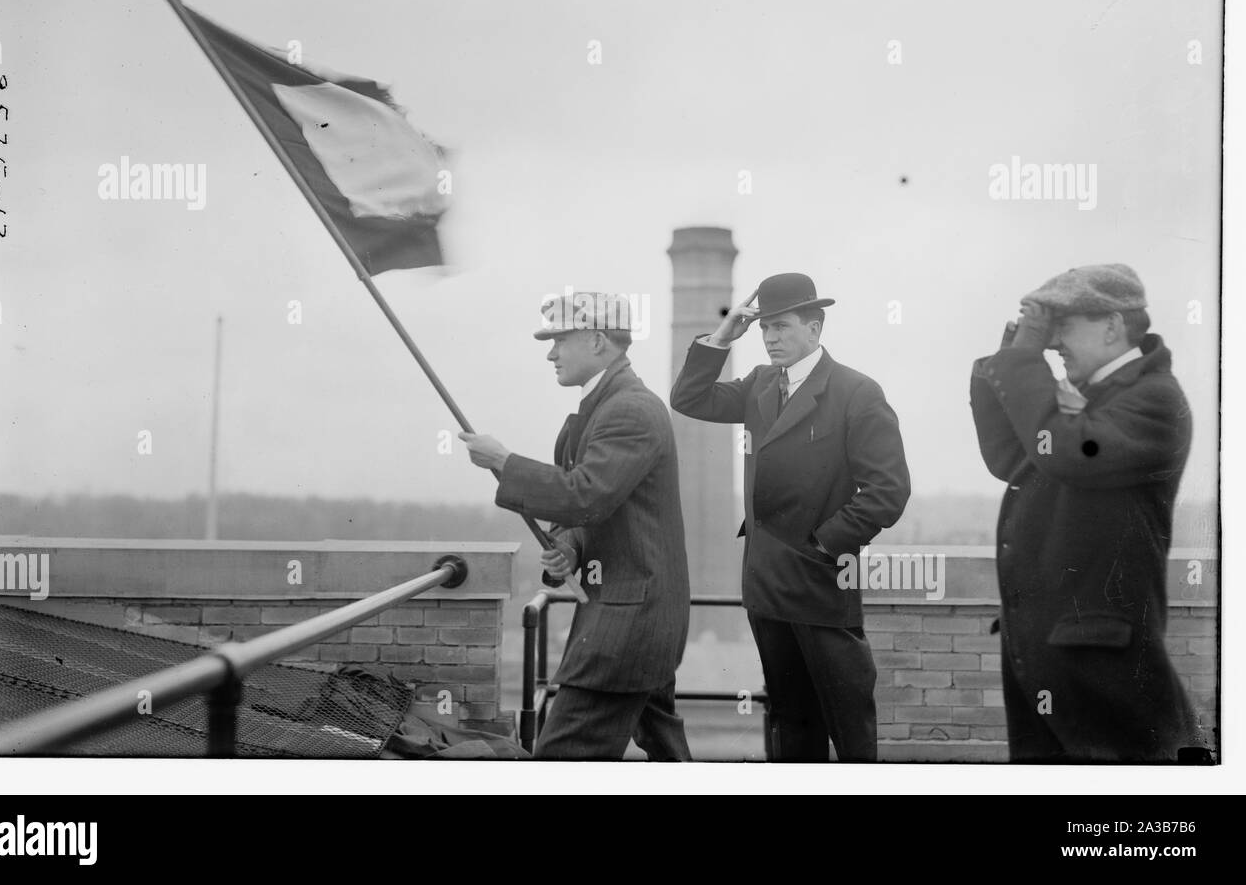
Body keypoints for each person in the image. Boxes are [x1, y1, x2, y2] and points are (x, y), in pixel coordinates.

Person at [670, 273, 910, 762]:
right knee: (790, 722)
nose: (770, 338)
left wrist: (824, 546)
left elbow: (889, 489)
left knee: (849, 724)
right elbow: (688, 399)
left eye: (780, 327)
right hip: (765, 584)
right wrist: (721, 338)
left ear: (815, 329)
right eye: (764, 329)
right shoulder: (760, 383)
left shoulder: (856, 392)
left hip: (821, 585)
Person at [969, 263, 1203, 762]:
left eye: (1064, 327)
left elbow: (1068, 452)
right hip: (1044, 655)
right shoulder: (1091, 403)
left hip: (1102, 665)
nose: (1053, 344)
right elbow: (1010, 457)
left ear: (1113, 326)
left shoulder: (1156, 400)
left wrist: (1027, 360)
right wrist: (1014, 355)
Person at [460, 290, 691, 760]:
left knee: (561, 759)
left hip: (626, 626)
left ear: (598, 341)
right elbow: (595, 513)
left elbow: (586, 494)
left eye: (560, 340)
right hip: (640, 617)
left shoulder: (630, 409)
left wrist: (504, 462)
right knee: (666, 751)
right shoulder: (598, 410)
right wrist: (569, 547)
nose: (550, 352)